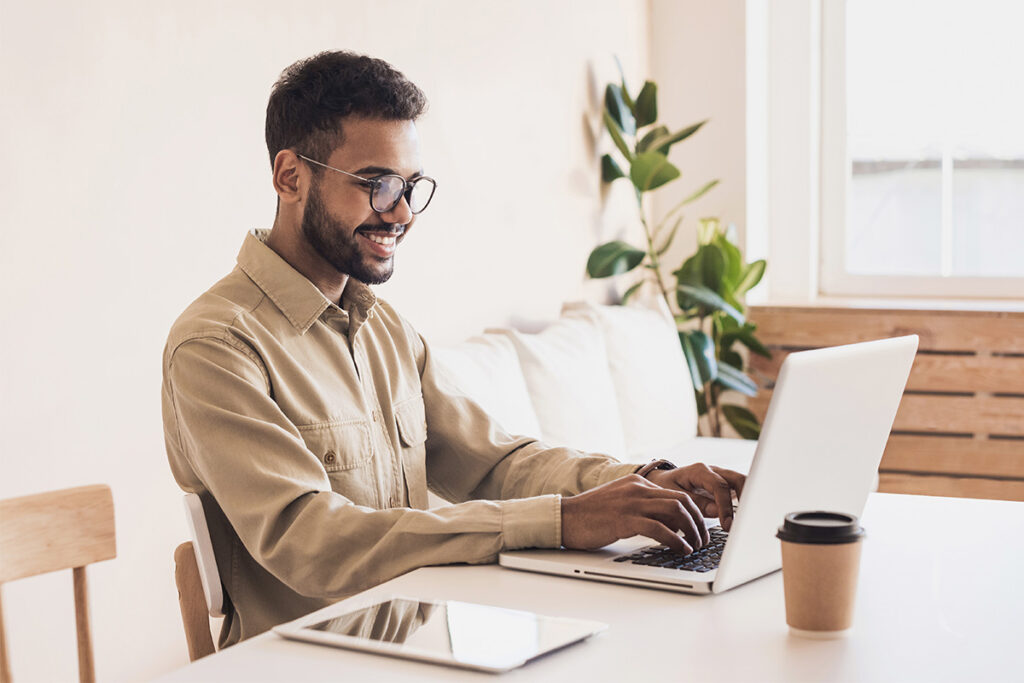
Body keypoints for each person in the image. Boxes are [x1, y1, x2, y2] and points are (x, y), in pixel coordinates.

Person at [161, 50, 745, 647]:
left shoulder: (385, 329)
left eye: (411, 186)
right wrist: (563, 522)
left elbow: (495, 462)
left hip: (420, 656)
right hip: (303, 665)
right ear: (291, 177)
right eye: (379, 185)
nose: (403, 213)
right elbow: (311, 541)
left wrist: (641, 485)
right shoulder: (216, 346)